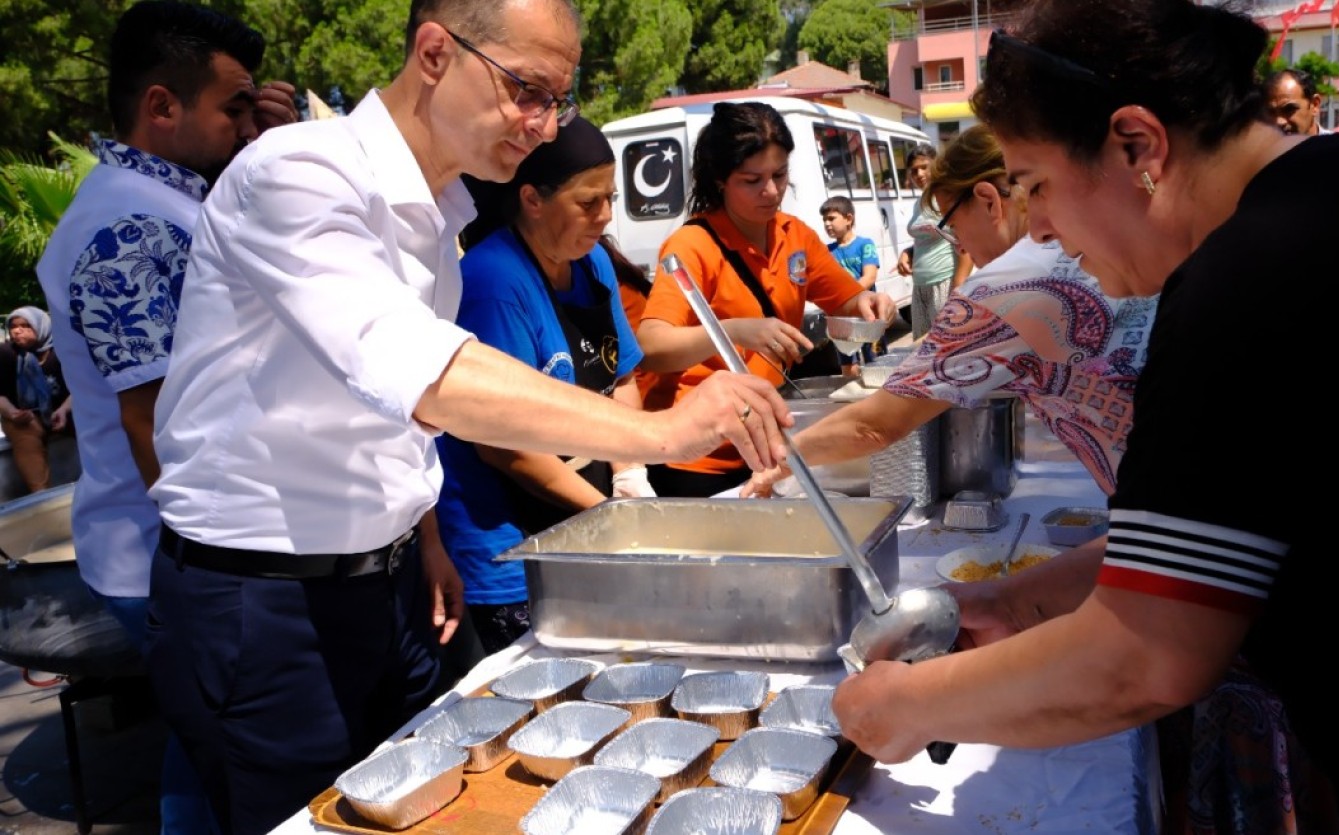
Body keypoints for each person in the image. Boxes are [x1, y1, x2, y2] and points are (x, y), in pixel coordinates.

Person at [831, 2, 1339, 833]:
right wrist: (1020, 601)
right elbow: (1222, 528)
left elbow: (1145, 655)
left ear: (1137, 145)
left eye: (1037, 183)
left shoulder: (1250, 276)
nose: (1040, 225)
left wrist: (910, 705)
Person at [140, 0, 791, 830]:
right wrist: (663, 432)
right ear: (436, 53)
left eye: (559, 98)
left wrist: (424, 535)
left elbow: (387, 417)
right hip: (263, 603)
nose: (544, 122)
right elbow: (420, 369)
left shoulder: (437, 211)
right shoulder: (298, 173)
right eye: (528, 90)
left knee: (436, 804)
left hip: (392, 584)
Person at [34, 2, 299, 831]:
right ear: (161, 107)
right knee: (231, 749)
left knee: (204, 746)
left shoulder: (163, 204)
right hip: (176, 551)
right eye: (231, 107)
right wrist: (212, 574)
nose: (242, 124)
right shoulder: (127, 227)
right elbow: (157, 421)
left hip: (177, 546)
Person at [746, 124, 1152, 501]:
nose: (958, 246)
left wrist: (782, 460)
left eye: (953, 225)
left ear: (988, 200)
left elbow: (873, 425)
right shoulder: (1087, 241)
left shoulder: (1000, 288)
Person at [436, 115, 654, 655]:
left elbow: (621, 372)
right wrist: (610, 518)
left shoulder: (594, 261)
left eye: (611, 198)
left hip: (583, 512)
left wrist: (629, 472)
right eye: (588, 202)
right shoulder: (495, 281)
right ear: (532, 199)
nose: (604, 217)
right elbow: (505, 446)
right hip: (513, 543)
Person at [635, 101, 894, 498]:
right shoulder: (692, 245)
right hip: (697, 455)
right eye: (751, 180)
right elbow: (651, 346)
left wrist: (869, 304)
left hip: (763, 446)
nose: (771, 191)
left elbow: (847, 298)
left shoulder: (796, 236)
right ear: (720, 179)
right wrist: (736, 331)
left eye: (779, 174)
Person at [895, 143, 974, 339]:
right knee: (925, 350)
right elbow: (927, 237)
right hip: (921, 287)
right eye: (914, 171)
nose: (919, 174)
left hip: (945, 284)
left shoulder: (948, 198)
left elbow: (966, 242)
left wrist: (958, 288)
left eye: (924, 167)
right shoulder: (919, 203)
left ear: (937, 166)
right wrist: (908, 252)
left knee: (946, 346)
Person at [0, 307, 72, 494]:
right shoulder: (6, 354)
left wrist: (64, 410)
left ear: (41, 327)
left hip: (65, 411)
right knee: (24, 434)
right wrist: (12, 413)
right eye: (13, 326)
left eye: (25, 326)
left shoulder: (62, 352)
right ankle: (41, 495)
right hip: (26, 416)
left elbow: (82, 389)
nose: (17, 330)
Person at [819, 195, 881, 372]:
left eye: (831, 218)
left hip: (869, 316)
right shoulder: (826, 251)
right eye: (824, 220)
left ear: (848, 218)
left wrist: (846, 297)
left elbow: (869, 277)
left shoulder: (865, 245)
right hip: (842, 319)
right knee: (847, 364)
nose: (827, 224)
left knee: (876, 363)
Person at [1264, 68, 1331, 137]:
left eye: (1288, 109)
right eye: (1271, 113)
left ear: (1314, 105)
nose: (1279, 121)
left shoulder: (1338, 146)